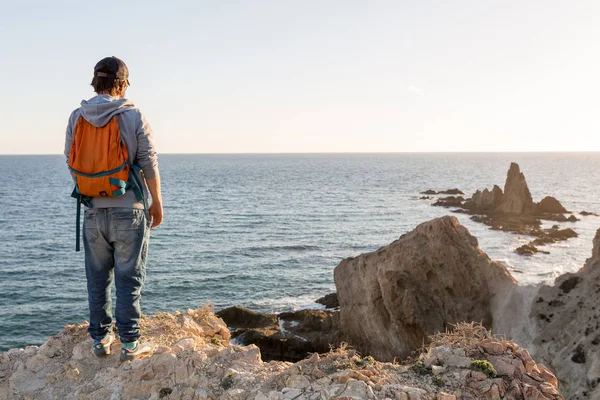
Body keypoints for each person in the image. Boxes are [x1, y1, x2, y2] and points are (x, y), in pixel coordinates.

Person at [64, 56, 163, 361]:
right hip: (128, 209)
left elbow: (70, 159)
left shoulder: (77, 116)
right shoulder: (132, 115)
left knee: (97, 278)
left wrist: (93, 190)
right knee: (129, 277)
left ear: (95, 81)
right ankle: (131, 344)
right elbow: (148, 161)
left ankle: (100, 340)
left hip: (92, 211)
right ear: (122, 83)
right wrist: (156, 202)